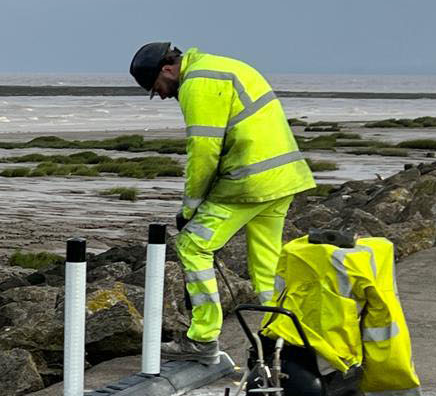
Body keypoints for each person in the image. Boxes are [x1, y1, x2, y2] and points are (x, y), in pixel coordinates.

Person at [128, 41, 315, 363]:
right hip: (282, 178)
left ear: (167, 69)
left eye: (156, 87)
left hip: (248, 181)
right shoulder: (225, 66)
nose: (160, 95)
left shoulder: (198, 83)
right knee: (268, 267)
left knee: (192, 246)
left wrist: (190, 207)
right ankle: (284, 341)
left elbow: (203, 152)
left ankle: (202, 340)